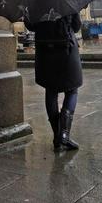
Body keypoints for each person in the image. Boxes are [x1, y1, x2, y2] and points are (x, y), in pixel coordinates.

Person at [25, 13, 83, 151]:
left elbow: (30, 25)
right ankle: (64, 134)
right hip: (66, 49)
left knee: (50, 90)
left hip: (45, 50)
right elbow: (76, 26)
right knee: (72, 89)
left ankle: (57, 136)